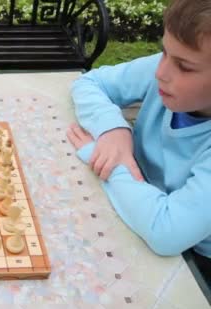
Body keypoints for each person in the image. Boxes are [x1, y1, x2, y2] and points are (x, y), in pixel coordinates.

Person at [66, 0, 211, 267]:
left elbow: (166, 233)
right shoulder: (165, 71)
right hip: (135, 203)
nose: (160, 72)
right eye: (164, 52)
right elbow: (89, 82)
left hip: (193, 261)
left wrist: (104, 160)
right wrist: (114, 130)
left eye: (185, 67)